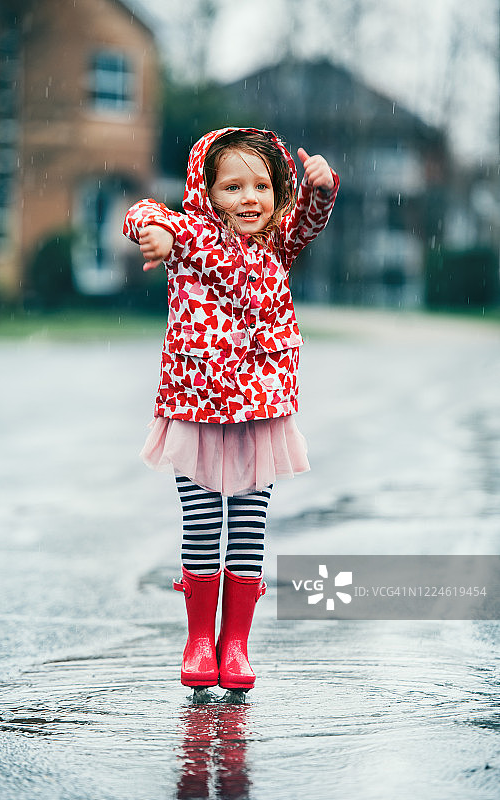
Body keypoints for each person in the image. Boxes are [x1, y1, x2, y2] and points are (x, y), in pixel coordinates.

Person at [123, 127, 339, 702]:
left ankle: (236, 643)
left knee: (247, 527)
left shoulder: (277, 244)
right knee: (201, 524)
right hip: (196, 405)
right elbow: (145, 209)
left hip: (260, 412)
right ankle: (199, 642)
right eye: (234, 186)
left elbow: (311, 219)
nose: (250, 198)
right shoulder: (192, 235)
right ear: (205, 190)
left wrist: (321, 188)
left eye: (263, 186)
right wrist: (155, 233)